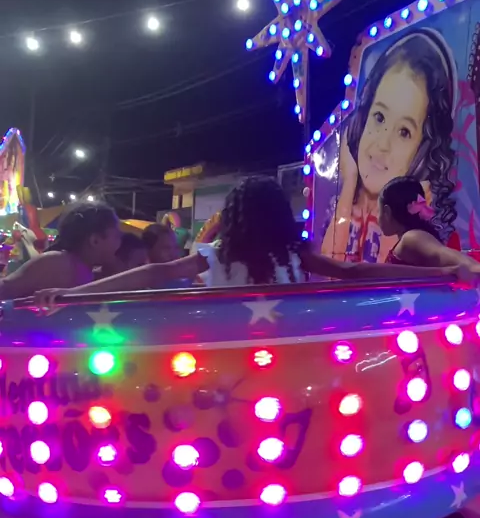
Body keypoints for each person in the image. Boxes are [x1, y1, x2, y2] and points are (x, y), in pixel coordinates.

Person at [33, 176, 479, 309]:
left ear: (234, 216)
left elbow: (155, 273)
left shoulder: (216, 255)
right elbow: (353, 271)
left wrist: (73, 294)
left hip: (223, 356)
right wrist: (441, 272)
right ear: (281, 214)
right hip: (287, 353)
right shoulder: (294, 253)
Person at [323, 29, 457, 263]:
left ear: (422, 153)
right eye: (379, 117)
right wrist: (349, 183)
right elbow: (331, 269)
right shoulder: (350, 202)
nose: (383, 144)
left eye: (404, 132)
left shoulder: (412, 234)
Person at [0, 201, 121, 300]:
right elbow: (5, 288)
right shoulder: (56, 264)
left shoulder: (88, 271)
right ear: (95, 241)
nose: (120, 242)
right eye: (116, 236)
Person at [378, 176, 478, 270]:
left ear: (387, 212)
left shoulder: (411, 238)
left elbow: (439, 255)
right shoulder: (412, 237)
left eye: (379, 211)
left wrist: (475, 268)